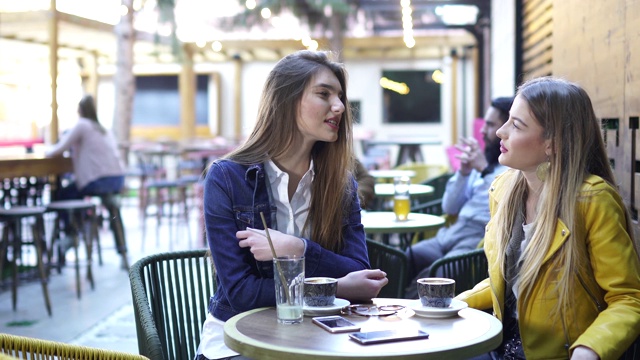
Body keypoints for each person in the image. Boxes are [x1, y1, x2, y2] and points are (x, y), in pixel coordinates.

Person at [196, 50, 388, 360]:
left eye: (339, 96)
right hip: (238, 342)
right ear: (286, 100)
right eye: (324, 94)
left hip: (321, 338)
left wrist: (297, 248)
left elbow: (361, 274)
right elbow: (241, 293)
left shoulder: (342, 184)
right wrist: (337, 286)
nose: (339, 107)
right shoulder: (226, 178)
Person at [458, 77, 640, 360]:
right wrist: (453, 303)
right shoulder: (503, 190)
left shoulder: (592, 200)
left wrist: (590, 349)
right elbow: (511, 283)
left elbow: (628, 298)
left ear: (552, 144)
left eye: (516, 125)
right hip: (500, 347)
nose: (500, 133)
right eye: (507, 120)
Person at [404, 96, 514, 299]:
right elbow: (450, 208)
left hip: (475, 239)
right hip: (449, 232)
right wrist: (463, 172)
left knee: (436, 275)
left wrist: (483, 169)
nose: (483, 131)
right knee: (405, 258)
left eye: (490, 125)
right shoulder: (483, 161)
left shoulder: (512, 166)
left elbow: (505, 200)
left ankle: (410, 312)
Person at [46, 95, 126, 254]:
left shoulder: (82, 125)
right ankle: (122, 249)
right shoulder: (103, 129)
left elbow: (59, 149)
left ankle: (72, 233)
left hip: (98, 182)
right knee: (110, 207)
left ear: (80, 110)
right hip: (117, 180)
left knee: (63, 194)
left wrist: (44, 151)